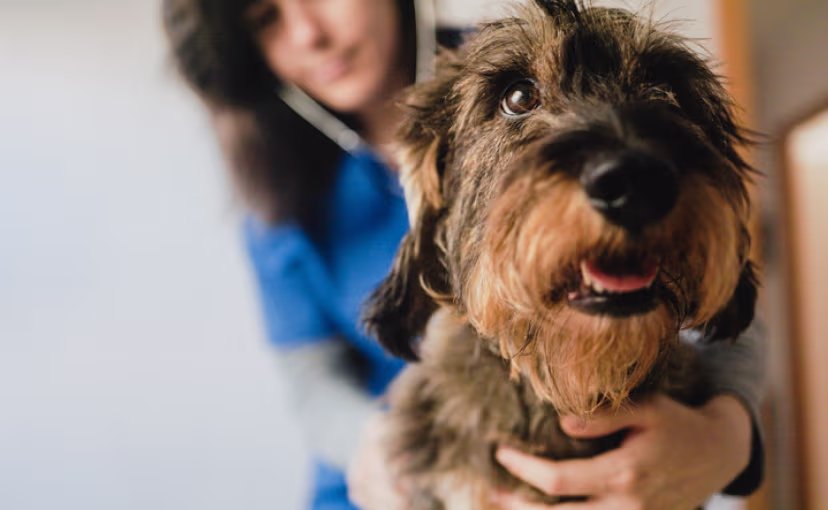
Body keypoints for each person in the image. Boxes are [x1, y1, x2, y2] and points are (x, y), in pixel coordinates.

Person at [161, 0, 766, 509]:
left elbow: (711, 274)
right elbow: (311, 379)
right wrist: (384, 451)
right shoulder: (278, 190)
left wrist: (730, 435)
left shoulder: (510, 52)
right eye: (266, 17)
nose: (310, 34)